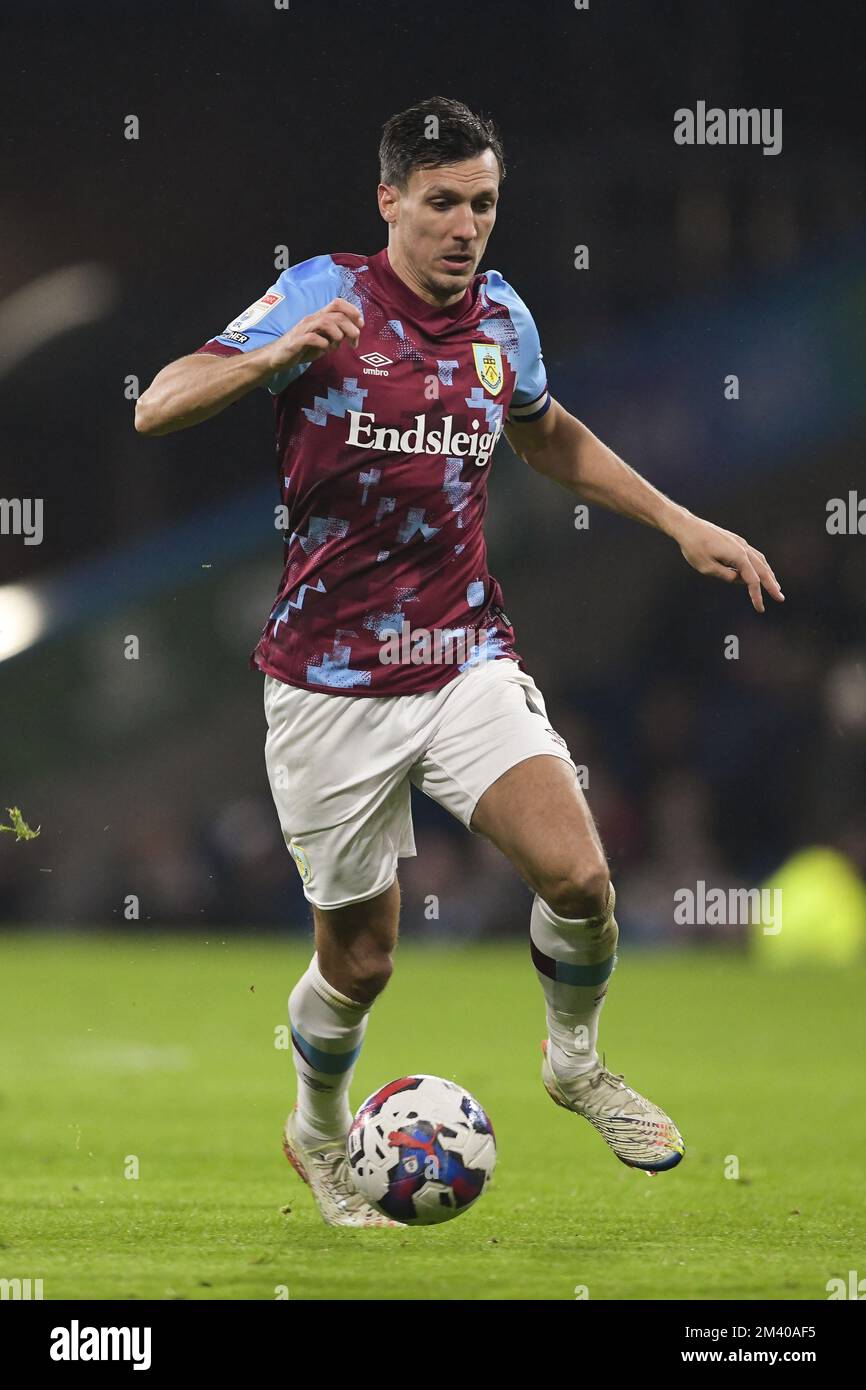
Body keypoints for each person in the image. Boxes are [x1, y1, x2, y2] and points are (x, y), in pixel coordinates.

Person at [136, 96, 784, 1227]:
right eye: (441, 202)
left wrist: (679, 521)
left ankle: (574, 1062)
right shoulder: (319, 295)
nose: (464, 225)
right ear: (389, 200)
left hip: (459, 660)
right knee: (362, 960)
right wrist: (274, 355)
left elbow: (548, 435)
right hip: (326, 685)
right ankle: (316, 1129)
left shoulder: (501, 321)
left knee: (580, 879)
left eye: (482, 203)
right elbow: (159, 404)